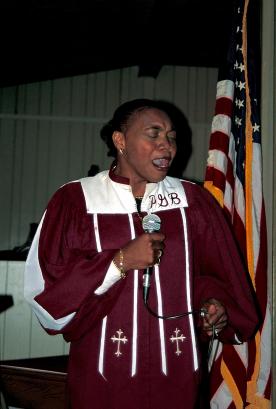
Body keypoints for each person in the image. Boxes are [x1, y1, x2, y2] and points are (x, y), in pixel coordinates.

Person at [24, 99, 259, 409]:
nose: (167, 146)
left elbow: (216, 276)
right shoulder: (75, 200)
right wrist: (120, 261)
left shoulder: (193, 202)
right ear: (120, 140)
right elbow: (45, 292)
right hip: (103, 380)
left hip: (177, 377)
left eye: (172, 137)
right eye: (154, 134)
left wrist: (214, 304)